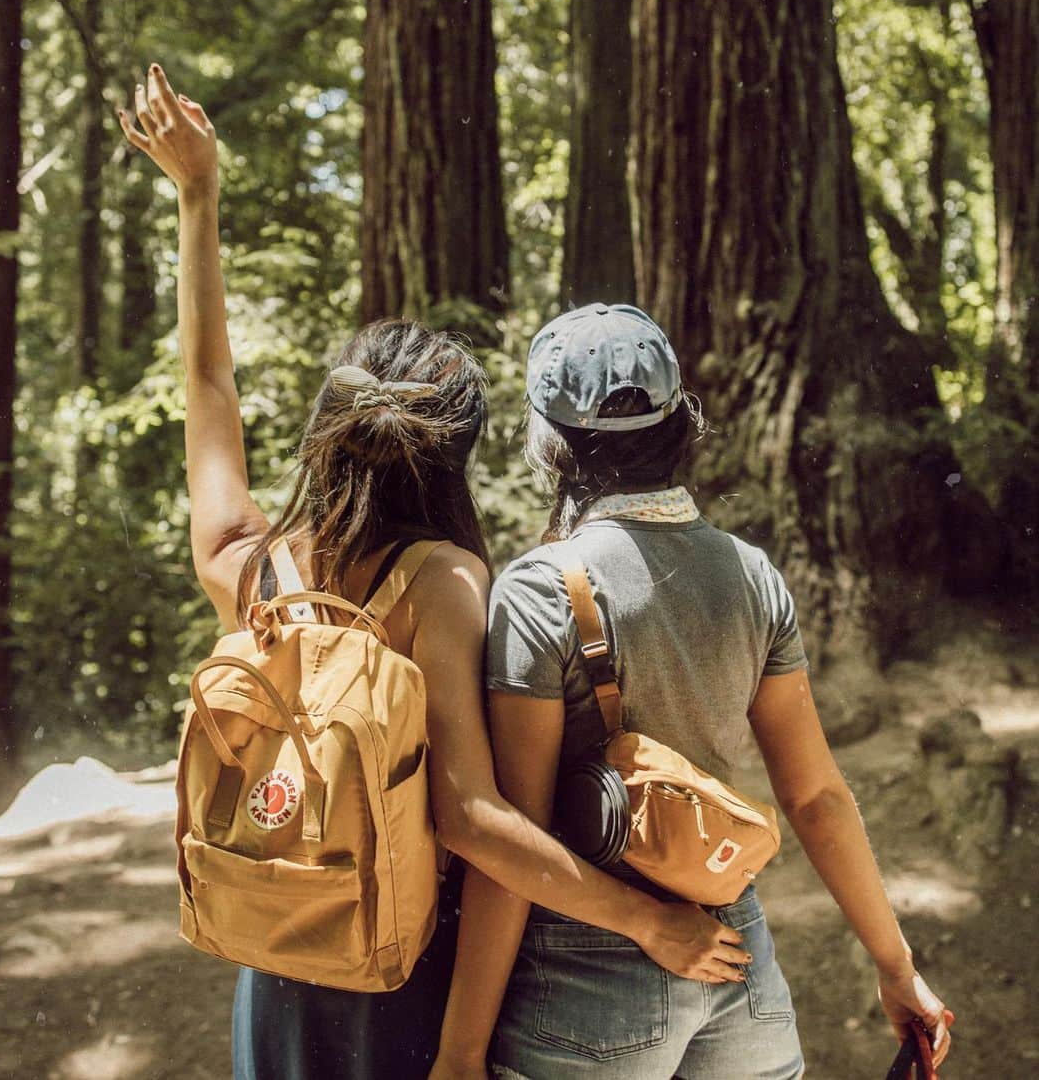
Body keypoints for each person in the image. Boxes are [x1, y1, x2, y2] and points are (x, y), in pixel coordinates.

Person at [116, 70, 754, 1080]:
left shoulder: (247, 568)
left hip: (275, 965)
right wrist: (649, 922)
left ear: (328, 431)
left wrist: (198, 195)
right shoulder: (441, 583)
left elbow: (207, 388)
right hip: (395, 966)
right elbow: (472, 819)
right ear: (449, 458)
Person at [430, 304, 954, 1080]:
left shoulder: (543, 589)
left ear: (551, 444)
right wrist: (895, 962)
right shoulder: (751, 574)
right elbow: (816, 798)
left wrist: (461, 1052)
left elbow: (515, 842)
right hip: (740, 970)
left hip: (588, 985)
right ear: (680, 425)